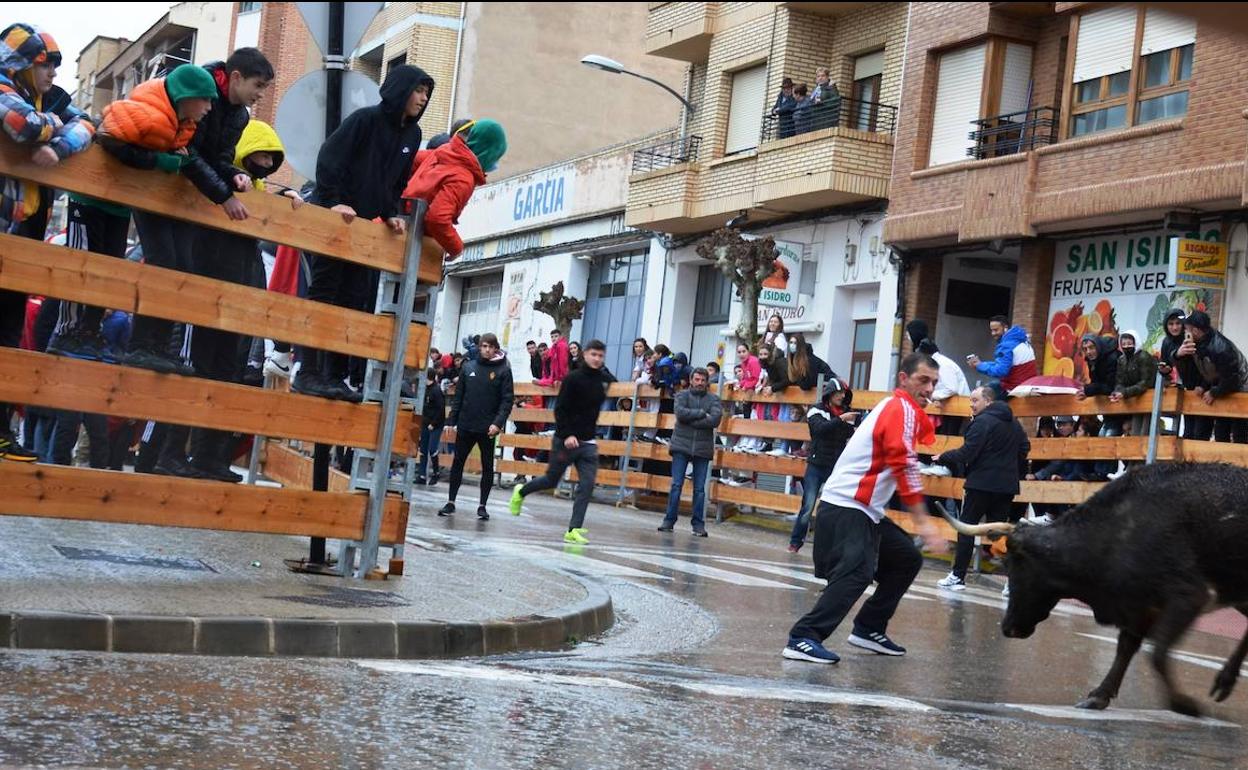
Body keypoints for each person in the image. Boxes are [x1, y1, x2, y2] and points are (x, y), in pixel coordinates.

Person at [782, 353, 948, 665]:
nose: (929, 389)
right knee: (857, 573)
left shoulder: (900, 409)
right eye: (923, 380)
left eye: (934, 383)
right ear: (903, 379)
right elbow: (903, 464)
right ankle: (804, 636)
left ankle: (869, 628)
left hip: (861, 508)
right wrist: (924, 523)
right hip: (849, 504)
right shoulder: (900, 408)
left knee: (906, 559)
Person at [293, 64, 435, 401]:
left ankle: (335, 376)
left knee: (353, 300)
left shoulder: (412, 135)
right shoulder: (365, 120)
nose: (423, 98)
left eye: (427, 93)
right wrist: (334, 202)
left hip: (365, 232)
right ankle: (308, 372)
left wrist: (391, 212)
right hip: (336, 220)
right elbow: (329, 159)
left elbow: (395, 181)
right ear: (401, 89)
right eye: (418, 90)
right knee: (324, 293)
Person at [0, 23, 93, 462]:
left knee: (8, 334)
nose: (53, 73)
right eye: (44, 64)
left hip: (23, 237)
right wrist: (55, 125)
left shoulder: (49, 98)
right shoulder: (7, 90)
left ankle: (0, 431)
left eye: (55, 65)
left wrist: (59, 147)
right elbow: (23, 125)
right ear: (20, 64)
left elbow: (88, 124)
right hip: (6, 231)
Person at [509, 339, 611, 544]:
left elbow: (610, 382)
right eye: (593, 354)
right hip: (566, 440)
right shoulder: (573, 379)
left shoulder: (602, 379)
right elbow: (561, 409)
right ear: (584, 354)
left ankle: (573, 529)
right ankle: (521, 491)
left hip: (588, 443)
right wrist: (568, 434)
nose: (597, 359)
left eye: (600, 356)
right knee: (551, 480)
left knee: (587, 485)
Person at [933, 383, 1030, 591]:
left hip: (980, 485)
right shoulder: (1014, 423)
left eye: (975, 400)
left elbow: (968, 452)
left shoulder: (982, 422)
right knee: (1000, 534)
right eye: (970, 400)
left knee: (966, 528)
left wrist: (943, 456)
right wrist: (1009, 468)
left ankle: (958, 577)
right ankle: (1012, 584)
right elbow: (1024, 448)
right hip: (1005, 487)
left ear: (988, 401)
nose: (971, 404)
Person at [403, 118, 506, 261]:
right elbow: (437, 219)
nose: (495, 163)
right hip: (410, 241)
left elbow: (405, 160)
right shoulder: (464, 178)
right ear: (488, 152)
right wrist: (456, 248)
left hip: (396, 223)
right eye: (496, 156)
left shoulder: (445, 151)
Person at [440, 333, 513, 520]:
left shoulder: (504, 370)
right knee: (458, 463)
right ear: (479, 347)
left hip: (488, 428)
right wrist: (451, 421)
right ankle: (451, 502)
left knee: (487, 466)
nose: (487, 350)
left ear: (496, 348)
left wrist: (498, 423)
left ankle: (482, 506)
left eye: (491, 347)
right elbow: (459, 397)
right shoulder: (468, 367)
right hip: (466, 425)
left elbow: (507, 401)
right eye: (484, 346)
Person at [788, 379, 856, 553]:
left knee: (833, 507)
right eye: (838, 393)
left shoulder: (848, 413)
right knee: (808, 506)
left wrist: (847, 422)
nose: (842, 396)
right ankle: (795, 542)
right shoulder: (816, 410)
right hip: (816, 465)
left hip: (835, 467)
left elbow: (849, 434)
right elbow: (820, 430)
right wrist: (841, 420)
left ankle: (829, 545)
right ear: (830, 394)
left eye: (844, 393)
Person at [658, 367, 722, 537]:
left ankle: (698, 525)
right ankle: (669, 521)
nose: (700, 383)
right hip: (681, 445)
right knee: (676, 485)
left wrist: (691, 420)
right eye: (697, 379)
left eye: (703, 380)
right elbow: (680, 414)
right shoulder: (681, 395)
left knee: (699, 489)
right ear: (691, 380)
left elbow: (715, 420)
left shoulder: (714, 399)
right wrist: (701, 414)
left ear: (707, 382)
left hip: (702, 448)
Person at [1175, 310, 1248, 443]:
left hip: (1240, 389)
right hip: (1223, 388)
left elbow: (1232, 378)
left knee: (1239, 432)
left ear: (1196, 331)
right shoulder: (1197, 343)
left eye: (1187, 329)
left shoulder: (1221, 348)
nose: (1185, 332)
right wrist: (1203, 386)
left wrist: (1214, 392)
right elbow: (1210, 370)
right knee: (1220, 430)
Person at [967, 315, 1037, 393]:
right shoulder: (1021, 340)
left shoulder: (1007, 346)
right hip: (1026, 385)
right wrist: (981, 364)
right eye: (992, 330)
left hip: (1014, 389)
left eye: (996, 330)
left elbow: (1000, 371)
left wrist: (980, 366)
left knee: (980, 394)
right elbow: (1004, 365)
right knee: (989, 387)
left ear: (1005, 328)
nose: (993, 333)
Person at [1110, 330, 1158, 439]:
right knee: (1134, 432)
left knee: (1145, 432)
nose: (1126, 347)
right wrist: (1117, 392)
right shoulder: (1121, 360)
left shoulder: (1144, 356)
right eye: (1124, 344)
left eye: (1129, 343)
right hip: (1134, 399)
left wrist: (1125, 392)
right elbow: (1119, 381)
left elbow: (1145, 382)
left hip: (1148, 397)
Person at [1075, 333, 1122, 437]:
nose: (1088, 352)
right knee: (1101, 436)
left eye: (1091, 347)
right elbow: (1096, 383)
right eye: (1085, 349)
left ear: (1098, 346)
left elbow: (1110, 386)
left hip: (1121, 408)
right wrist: (1086, 392)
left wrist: (1088, 390)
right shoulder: (1092, 361)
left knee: (1108, 437)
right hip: (1107, 411)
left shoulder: (1112, 358)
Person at [415, 366, 444, 486]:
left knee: (432, 449)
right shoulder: (424, 389)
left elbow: (441, 409)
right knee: (423, 449)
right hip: (425, 423)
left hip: (435, 425)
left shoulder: (436, 391)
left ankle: (436, 473)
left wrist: (434, 423)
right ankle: (422, 475)